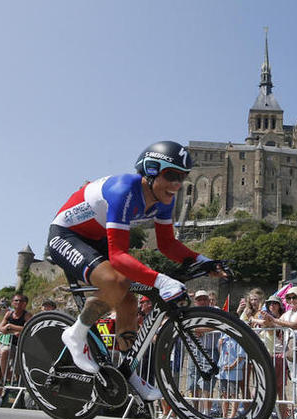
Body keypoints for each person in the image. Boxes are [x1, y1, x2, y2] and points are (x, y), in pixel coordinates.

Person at [46, 140, 225, 402]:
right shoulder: (124, 190)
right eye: (171, 175)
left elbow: (167, 245)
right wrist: (161, 281)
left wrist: (203, 259)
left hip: (96, 240)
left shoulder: (163, 199)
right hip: (67, 235)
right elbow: (118, 256)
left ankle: (127, 370)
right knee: (117, 282)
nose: (177, 184)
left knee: (128, 301)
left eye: (182, 177)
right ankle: (75, 333)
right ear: (151, 172)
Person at [266, 286, 297, 419]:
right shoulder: (288, 314)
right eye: (289, 298)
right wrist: (265, 320)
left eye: (294, 298)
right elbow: (274, 324)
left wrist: (274, 320)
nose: (291, 301)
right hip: (293, 351)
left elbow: (296, 324)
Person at [0, 294, 33, 407]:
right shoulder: (9, 314)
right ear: (13, 302)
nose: (18, 303)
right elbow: (0, 328)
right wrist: (10, 328)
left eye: (20, 301)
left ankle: (18, 396)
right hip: (10, 344)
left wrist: (10, 327)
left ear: (25, 304)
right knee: (4, 352)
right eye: (16, 301)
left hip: (22, 346)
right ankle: (6, 378)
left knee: (18, 371)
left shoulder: (27, 315)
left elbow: (29, 327)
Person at [253, 295, 289, 419]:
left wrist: (261, 319)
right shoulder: (264, 318)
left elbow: (269, 324)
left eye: (275, 303)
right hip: (265, 356)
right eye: (270, 304)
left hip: (278, 355)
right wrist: (259, 319)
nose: (272, 306)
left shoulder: (282, 319)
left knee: (280, 390)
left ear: (280, 306)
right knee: (261, 388)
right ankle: (260, 418)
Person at [216, 332, 246, 418]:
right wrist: (219, 345)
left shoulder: (238, 338)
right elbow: (220, 352)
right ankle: (224, 416)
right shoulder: (224, 336)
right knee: (224, 393)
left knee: (234, 394)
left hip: (234, 371)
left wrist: (232, 366)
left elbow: (241, 356)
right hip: (223, 370)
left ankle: (232, 416)